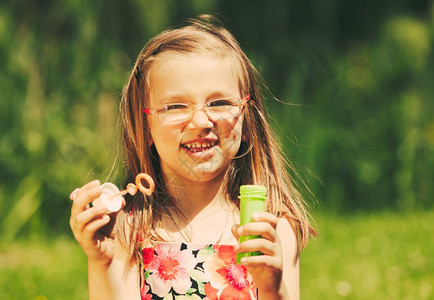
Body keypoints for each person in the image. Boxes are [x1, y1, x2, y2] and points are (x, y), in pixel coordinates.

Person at [69, 14, 317, 300]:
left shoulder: (269, 227)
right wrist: (103, 263)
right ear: (145, 127)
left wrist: (273, 289)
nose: (201, 121)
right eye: (175, 106)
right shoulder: (129, 229)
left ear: (247, 122)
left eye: (220, 102)